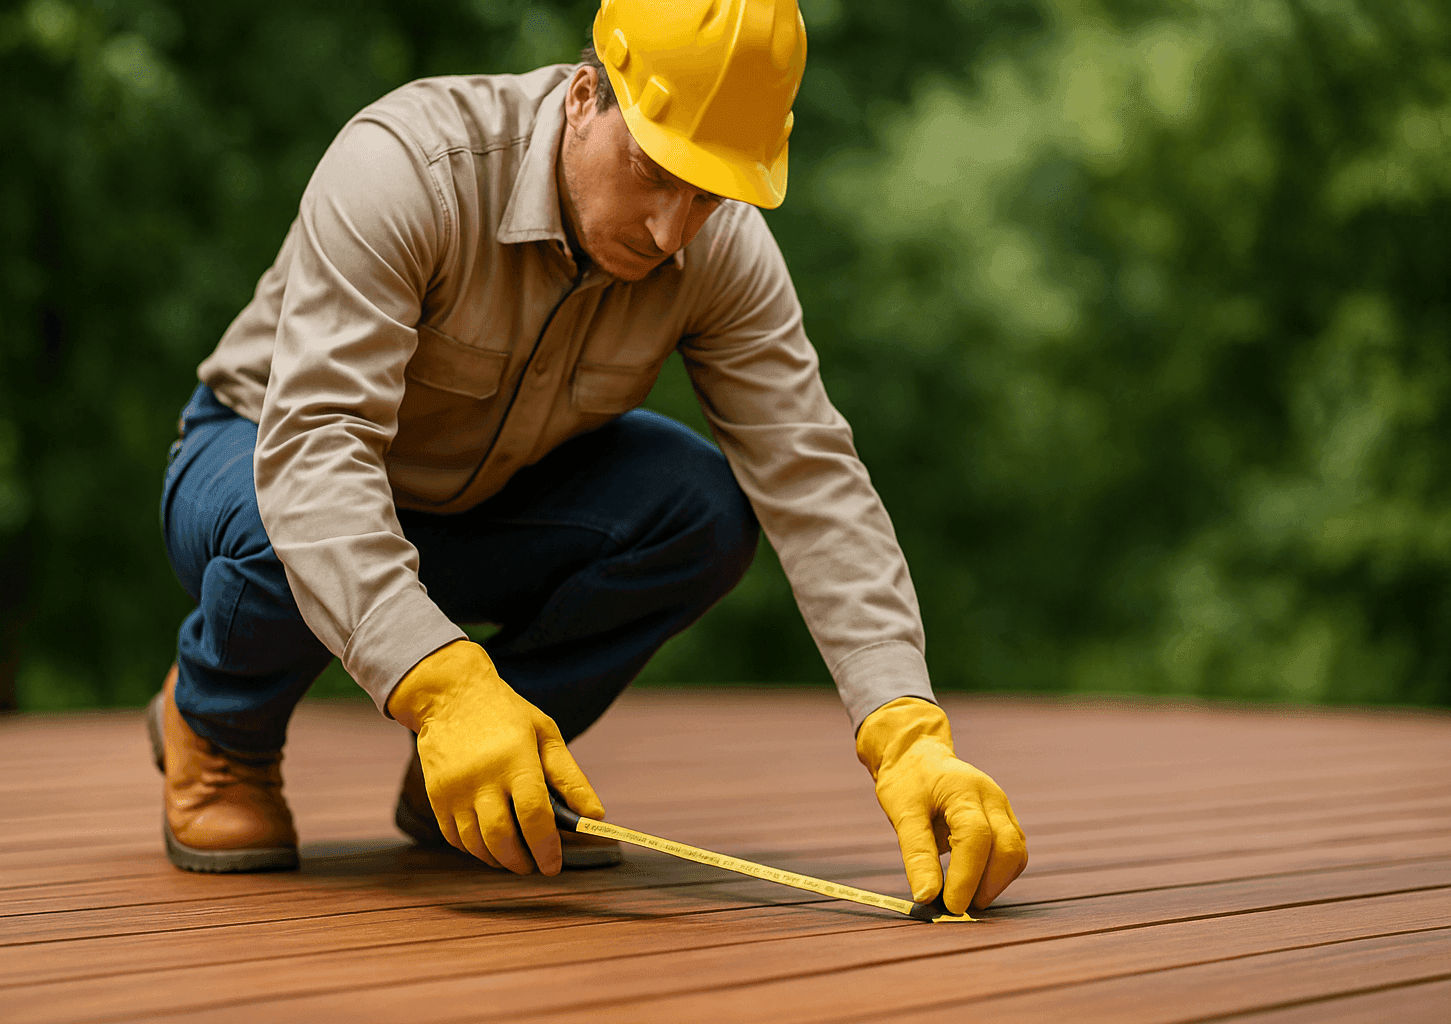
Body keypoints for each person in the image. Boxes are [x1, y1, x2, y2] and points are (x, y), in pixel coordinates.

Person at [151, 0, 1028, 917]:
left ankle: (497, 776)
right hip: (257, 460)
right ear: (582, 98)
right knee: (275, 515)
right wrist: (446, 689)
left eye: (710, 193)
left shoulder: (719, 252)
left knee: (700, 510)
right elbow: (316, 450)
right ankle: (220, 735)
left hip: (478, 506)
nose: (670, 231)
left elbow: (812, 478)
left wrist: (906, 729)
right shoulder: (409, 168)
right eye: (655, 171)